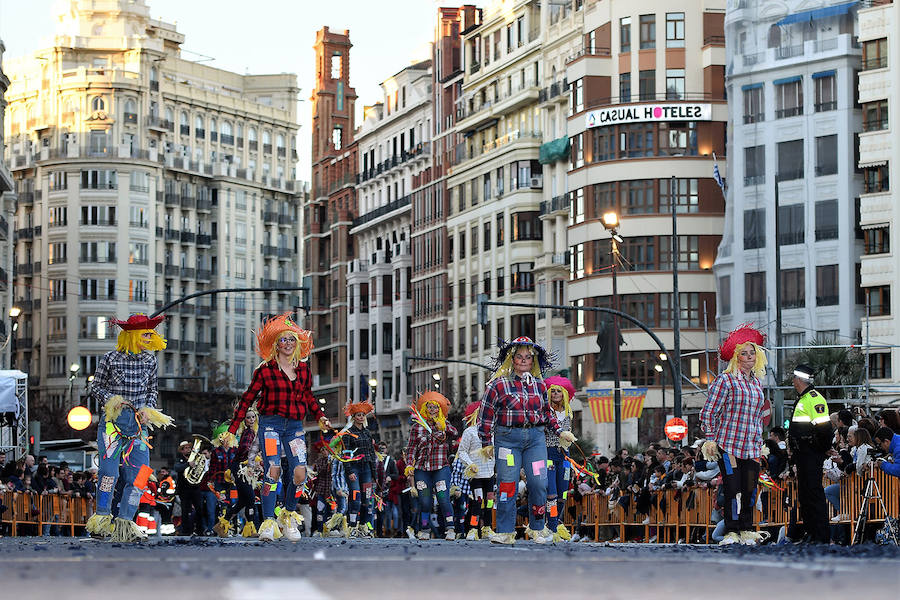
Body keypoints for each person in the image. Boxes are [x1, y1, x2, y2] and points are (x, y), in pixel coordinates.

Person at [226, 313, 331, 542]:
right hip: (271, 424)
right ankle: (268, 522)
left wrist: (320, 416)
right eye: (283, 340)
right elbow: (246, 400)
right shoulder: (264, 371)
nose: (288, 344)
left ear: (297, 344)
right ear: (276, 344)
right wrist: (232, 430)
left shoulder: (303, 370)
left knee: (299, 473)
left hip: (294, 426)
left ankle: (289, 516)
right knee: (273, 470)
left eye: (292, 339)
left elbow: (308, 397)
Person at [476, 336, 576, 545]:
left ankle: (538, 529)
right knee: (507, 485)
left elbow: (547, 414)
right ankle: (504, 531)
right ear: (512, 360)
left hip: (535, 441)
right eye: (519, 357)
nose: (523, 360)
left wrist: (560, 432)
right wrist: (486, 442)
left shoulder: (540, 386)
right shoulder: (498, 385)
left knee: (540, 482)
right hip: (507, 441)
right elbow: (485, 415)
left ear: (533, 361)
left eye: (528, 358)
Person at [85, 313, 173, 542]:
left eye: (150, 334)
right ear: (132, 335)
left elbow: (153, 390)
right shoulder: (110, 358)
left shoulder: (150, 360)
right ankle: (102, 520)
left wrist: (149, 409)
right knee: (108, 473)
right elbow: (95, 388)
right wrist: (113, 400)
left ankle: (125, 523)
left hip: (139, 426)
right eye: (145, 333)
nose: (149, 337)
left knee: (140, 476)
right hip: (112, 425)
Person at [700, 324, 768, 546]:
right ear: (736, 358)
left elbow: (759, 415)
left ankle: (747, 529)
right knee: (733, 487)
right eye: (744, 353)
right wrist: (710, 438)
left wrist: (760, 441)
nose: (749, 356)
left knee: (750, 488)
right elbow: (709, 411)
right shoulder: (726, 380)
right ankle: (731, 531)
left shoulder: (757, 383)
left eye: (752, 352)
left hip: (751, 445)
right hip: (729, 444)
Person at [783, 364, 831, 544]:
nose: (792, 381)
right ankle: (811, 533)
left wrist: (817, 449)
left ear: (799, 380)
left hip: (811, 454)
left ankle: (821, 536)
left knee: (814, 494)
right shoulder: (803, 398)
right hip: (803, 455)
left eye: (794, 378)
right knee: (805, 496)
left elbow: (825, 430)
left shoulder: (813, 399)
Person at [405, 391, 458, 541]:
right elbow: (411, 448)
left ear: (440, 409)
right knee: (425, 500)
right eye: (430, 407)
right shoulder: (417, 427)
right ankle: (424, 529)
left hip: (441, 468)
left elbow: (455, 432)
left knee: (443, 498)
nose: (432, 410)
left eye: (435, 407)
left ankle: (450, 529)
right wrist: (409, 465)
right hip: (422, 470)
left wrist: (443, 427)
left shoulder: (444, 423)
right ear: (425, 409)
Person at [456, 401, 496, 541]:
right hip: (476, 474)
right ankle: (473, 529)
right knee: (478, 501)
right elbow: (462, 452)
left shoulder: (493, 431)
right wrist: (470, 464)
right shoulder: (470, 432)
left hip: (490, 473)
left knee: (490, 502)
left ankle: (487, 528)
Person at [543, 375, 576, 541]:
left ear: (564, 394)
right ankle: (552, 526)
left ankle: (553, 522)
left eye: (558, 391)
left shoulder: (569, 413)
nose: (555, 394)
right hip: (548, 453)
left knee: (563, 493)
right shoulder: (546, 411)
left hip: (564, 456)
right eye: (553, 391)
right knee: (552, 493)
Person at [341, 401, 378, 537]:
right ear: (353, 417)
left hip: (367, 469)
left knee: (367, 501)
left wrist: (374, 473)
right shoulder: (348, 434)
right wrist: (349, 471)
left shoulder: (368, 433)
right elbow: (345, 454)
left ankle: (362, 527)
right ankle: (351, 527)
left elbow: (371, 453)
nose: (361, 417)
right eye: (358, 415)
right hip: (354, 469)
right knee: (355, 499)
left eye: (363, 415)